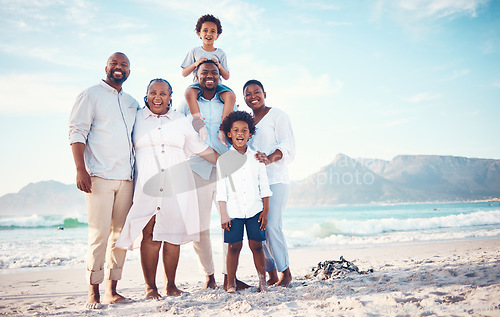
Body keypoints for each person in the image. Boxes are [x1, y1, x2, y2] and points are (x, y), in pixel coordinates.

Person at [115, 79, 218, 298]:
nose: (158, 97)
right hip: (147, 183)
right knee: (149, 232)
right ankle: (150, 287)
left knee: (173, 234)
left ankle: (170, 285)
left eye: (163, 93)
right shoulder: (137, 118)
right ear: (147, 94)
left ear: (171, 96)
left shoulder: (181, 120)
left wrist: (229, 160)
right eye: (153, 92)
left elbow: (199, 148)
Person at [68, 52, 139, 309]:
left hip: (127, 179)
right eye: (115, 64)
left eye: (124, 65)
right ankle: (93, 292)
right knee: (98, 235)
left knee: (121, 237)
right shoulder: (90, 95)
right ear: (106, 67)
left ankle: (112, 290)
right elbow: (77, 131)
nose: (119, 68)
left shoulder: (132, 102)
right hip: (98, 176)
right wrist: (80, 169)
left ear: (129, 72)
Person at [180, 60, 248, 290]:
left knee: (230, 224)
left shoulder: (228, 102)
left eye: (214, 73)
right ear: (196, 76)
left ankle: (230, 275)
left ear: (220, 77)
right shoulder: (186, 104)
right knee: (199, 228)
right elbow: (179, 132)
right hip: (196, 169)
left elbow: (239, 132)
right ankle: (209, 276)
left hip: (225, 170)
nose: (210, 76)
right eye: (204, 72)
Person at [244, 79, 295, 287]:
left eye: (257, 92)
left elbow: (287, 144)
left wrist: (270, 158)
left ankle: (286, 272)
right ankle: (272, 273)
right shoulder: (246, 121)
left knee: (272, 225)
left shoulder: (278, 115)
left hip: (276, 179)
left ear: (265, 93)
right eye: (248, 93)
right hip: (254, 183)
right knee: (258, 230)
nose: (253, 96)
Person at [217, 111, 272, 293]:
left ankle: (262, 282)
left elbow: (264, 185)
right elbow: (221, 190)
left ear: (250, 133)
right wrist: (223, 213)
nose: (240, 133)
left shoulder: (257, 158)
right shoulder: (223, 160)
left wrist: (265, 210)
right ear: (229, 133)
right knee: (234, 247)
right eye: (236, 130)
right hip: (233, 212)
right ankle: (230, 284)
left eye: (244, 130)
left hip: (255, 209)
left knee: (257, 245)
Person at [181, 13, 236, 144]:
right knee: (189, 93)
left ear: (217, 35)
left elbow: (226, 76)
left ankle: (222, 130)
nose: (209, 34)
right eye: (205, 30)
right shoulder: (194, 51)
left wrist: (219, 66)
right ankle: (200, 126)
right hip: (198, 85)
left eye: (213, 31)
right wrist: (196, 63)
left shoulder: (220, 53)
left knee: (231, 96)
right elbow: (184, 73)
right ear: (199, 34)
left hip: (217, 86)